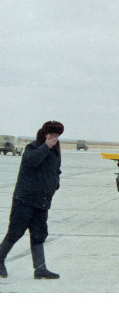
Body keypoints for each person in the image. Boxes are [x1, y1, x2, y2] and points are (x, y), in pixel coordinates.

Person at [0, 120, 64, 280]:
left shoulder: (55, 153)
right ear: (44, 135)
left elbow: (55, 172)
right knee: (15, 232)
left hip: (42, 202)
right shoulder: (33, 148)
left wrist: (54, 186)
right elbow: (31, 161)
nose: (53, 139)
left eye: (56, 136)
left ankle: (40, 269)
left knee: (39, 234)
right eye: (51, 135)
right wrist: (45, 147)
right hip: (25, 200)